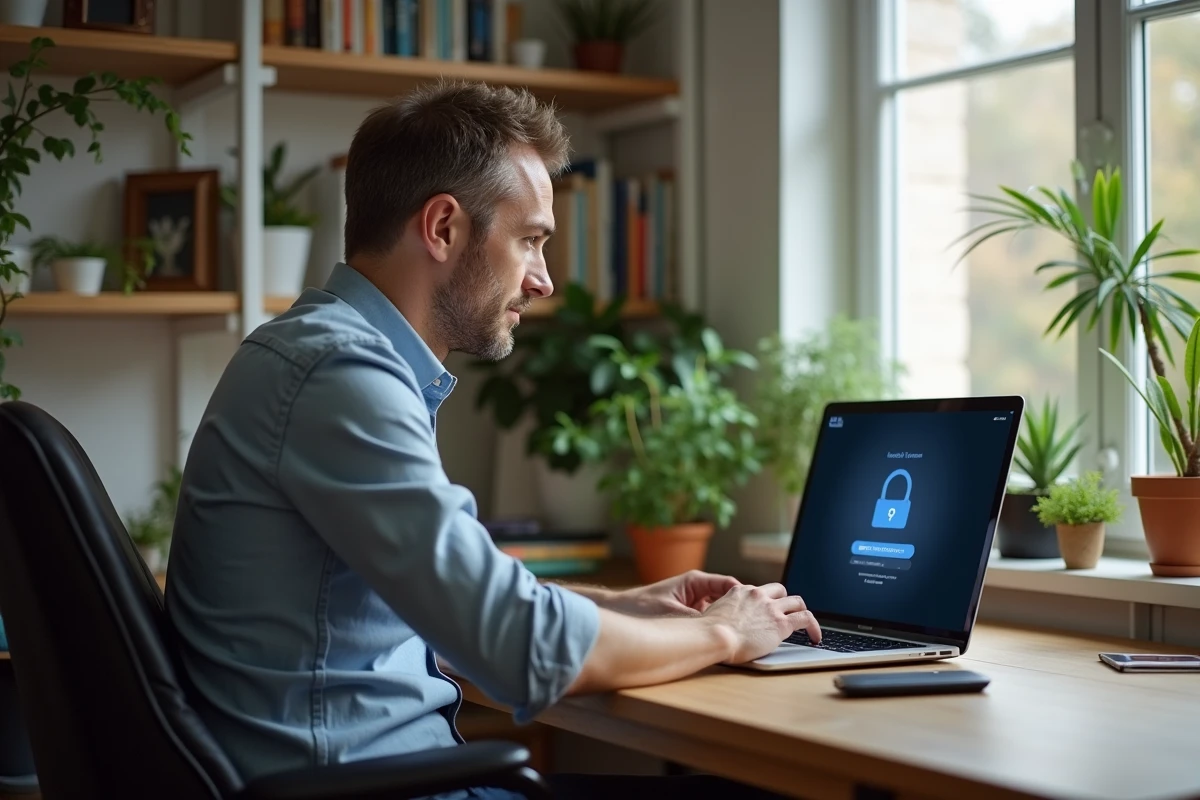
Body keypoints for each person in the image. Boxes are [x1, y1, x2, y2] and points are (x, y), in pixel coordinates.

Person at [165, 79, 821, 800]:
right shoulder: (340, 373)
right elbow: (517, 649)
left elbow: (460, 607)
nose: (543, 280)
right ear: (443, 227)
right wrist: (726, 633)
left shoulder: (323, 355)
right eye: (531, 240)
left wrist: (628, 606)